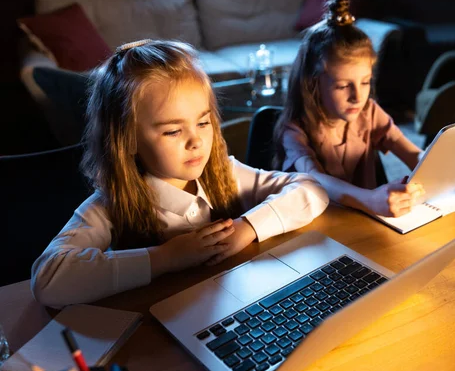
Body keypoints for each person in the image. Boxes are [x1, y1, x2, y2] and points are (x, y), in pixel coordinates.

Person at [31, 40, 329, 308]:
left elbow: (311, 189)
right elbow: (48, 280)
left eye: (203, 123)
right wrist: (165, 258)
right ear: (128, 139)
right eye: (173, 130)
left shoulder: (224, 174)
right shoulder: (111, 205)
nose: (196, 141)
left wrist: (246, 229)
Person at [272, 0, 455, 218]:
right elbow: (315, 179)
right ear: (312, 83)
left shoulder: (368, 112)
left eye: (365, 82)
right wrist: (369, 199)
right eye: (343, 86)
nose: (357, 96)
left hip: (364, 224)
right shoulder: (294, 130)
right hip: (318, 229)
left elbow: (415, 156)